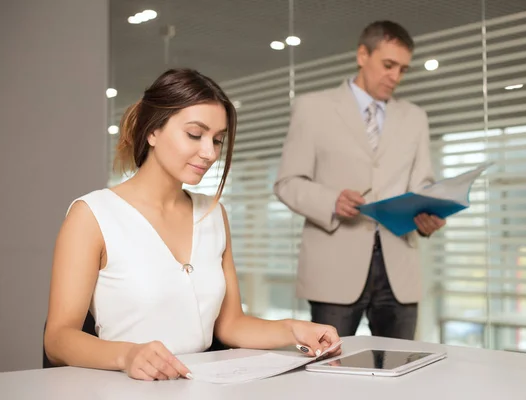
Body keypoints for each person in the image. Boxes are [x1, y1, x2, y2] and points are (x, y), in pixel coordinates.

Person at [44, 68, 340, 381]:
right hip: (124, 387)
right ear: (153, 132)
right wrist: (128, 354)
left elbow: (230, 325)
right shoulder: (92, 215)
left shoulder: (213, 214)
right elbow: (58, 339)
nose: (210, 153)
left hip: (199, 386)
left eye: (217, 140)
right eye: (195, 135)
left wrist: (296, 329)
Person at [274, 21, 446, 340]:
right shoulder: (313, 108)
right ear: (362, 54)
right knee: (331, 375)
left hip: (399, 266)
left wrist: (427, 213)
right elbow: (287, 182)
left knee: (401, 372)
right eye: (388, 65)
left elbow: (422, 183)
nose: (395, 76)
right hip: (334, 266)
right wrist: (330, 200)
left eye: (403, 69)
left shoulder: (415, 117)